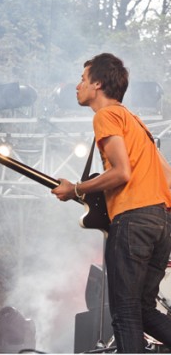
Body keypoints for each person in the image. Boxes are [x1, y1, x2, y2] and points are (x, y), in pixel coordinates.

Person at [52, 53, 171, 353]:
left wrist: (76, 189)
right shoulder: (136, 122)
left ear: (98, 83)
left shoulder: (105, 116)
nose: (77, 86)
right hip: (160, 222)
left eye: (82, 79)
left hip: (133, 220)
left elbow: (121, 172)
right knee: (144, 310)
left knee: (126, 313)